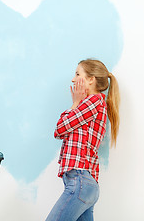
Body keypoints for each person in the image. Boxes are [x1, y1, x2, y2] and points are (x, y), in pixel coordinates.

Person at [46, 59, 120, 221]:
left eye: (78, 74)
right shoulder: (96, 104)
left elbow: (59, 129)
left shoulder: (93, 101)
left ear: (91, 79)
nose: (73, 79)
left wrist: (76, 103)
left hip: (80, 181)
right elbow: (61, 132)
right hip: (87, 185)